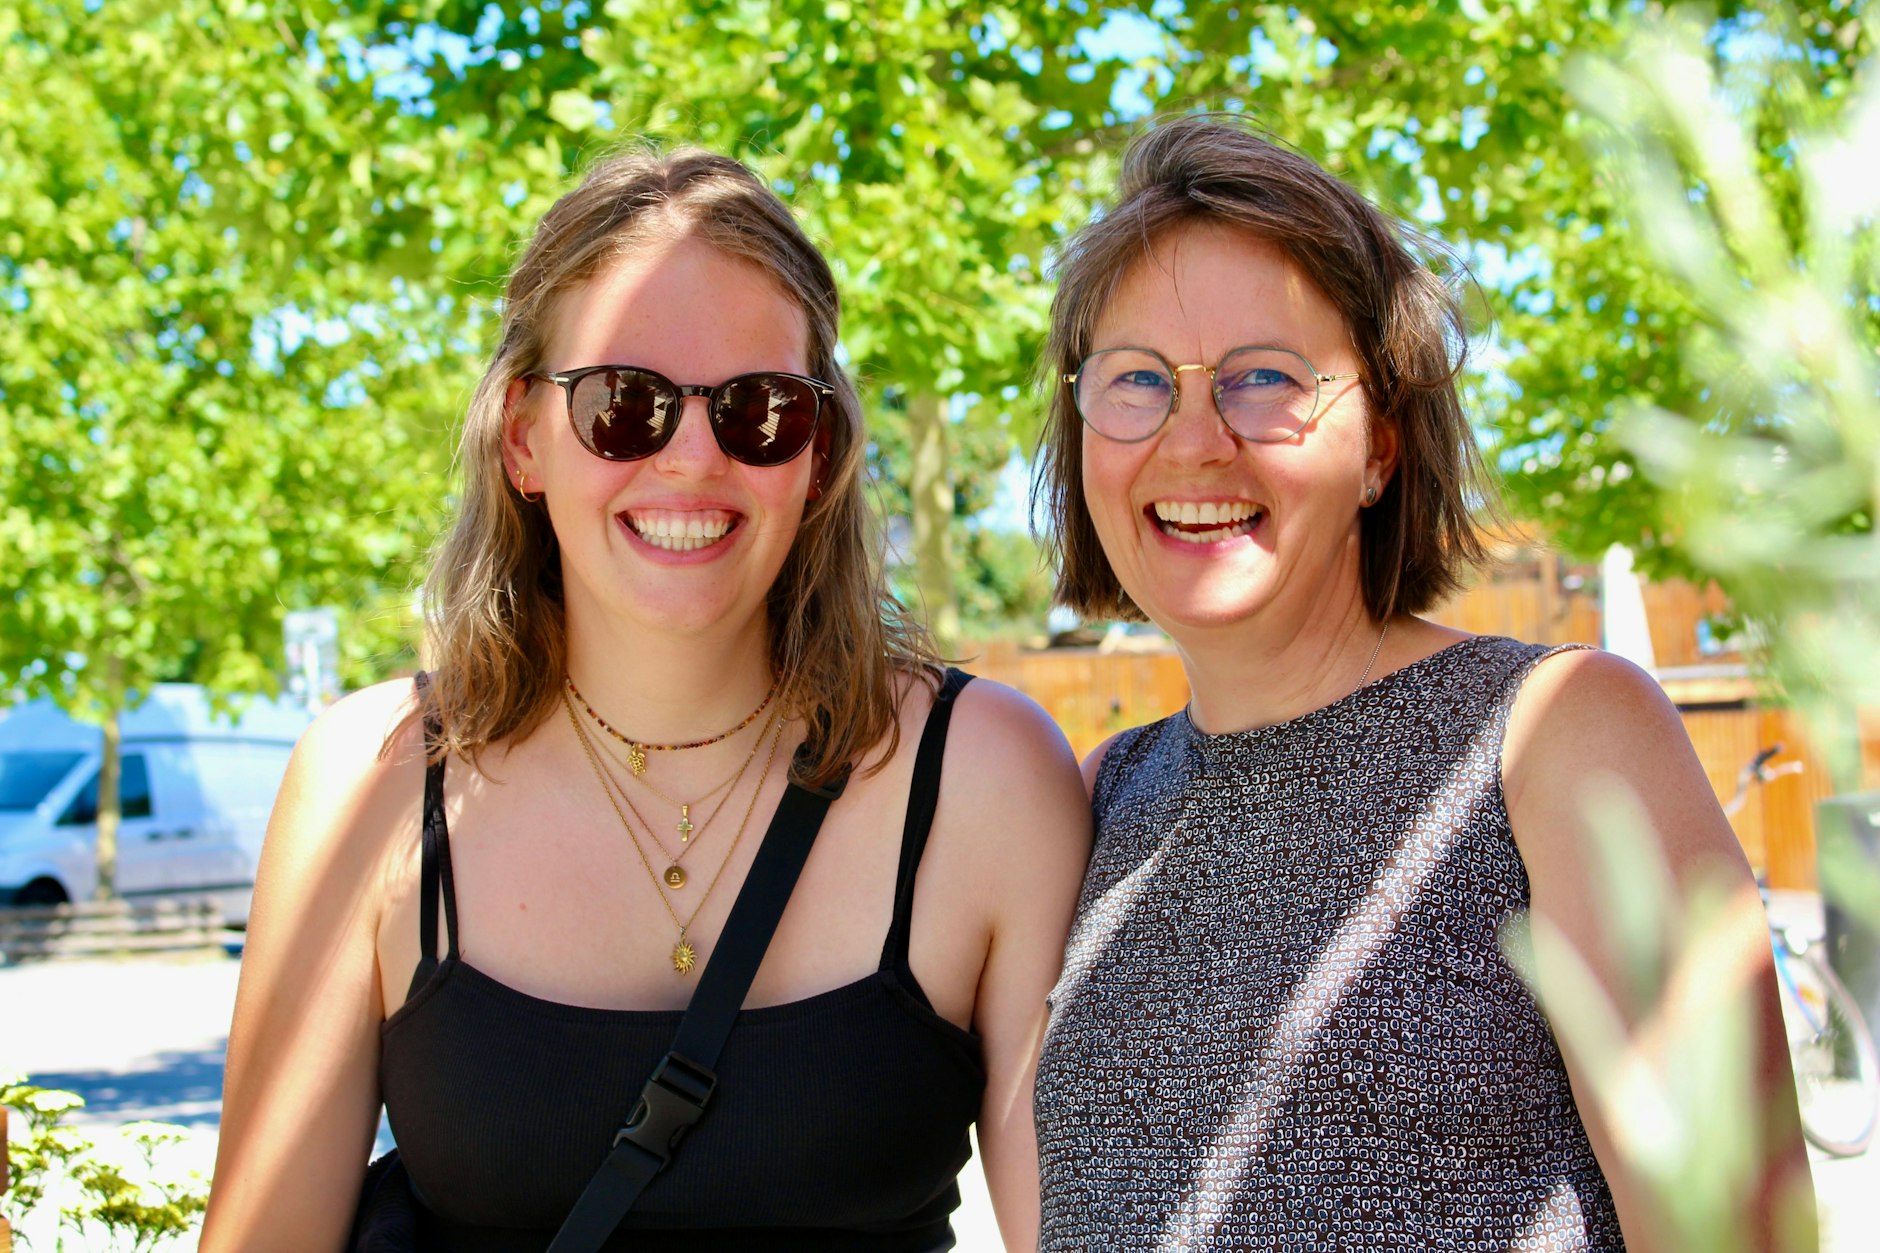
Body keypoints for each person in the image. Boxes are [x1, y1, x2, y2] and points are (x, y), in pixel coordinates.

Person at [201, 148, 1090, 1252]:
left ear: (815, 456)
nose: (691, 458)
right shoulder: (371, 779)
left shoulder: (983, 776)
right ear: (523, 436)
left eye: (759, 411)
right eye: (626, 405)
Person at [1029, 116, 1813, 1251]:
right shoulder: (1097, 793)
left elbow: (1737, 1233)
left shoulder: (1554, 733)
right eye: (1136, 379)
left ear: (1381, 446)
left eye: (1263, 378)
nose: (1192, 439)